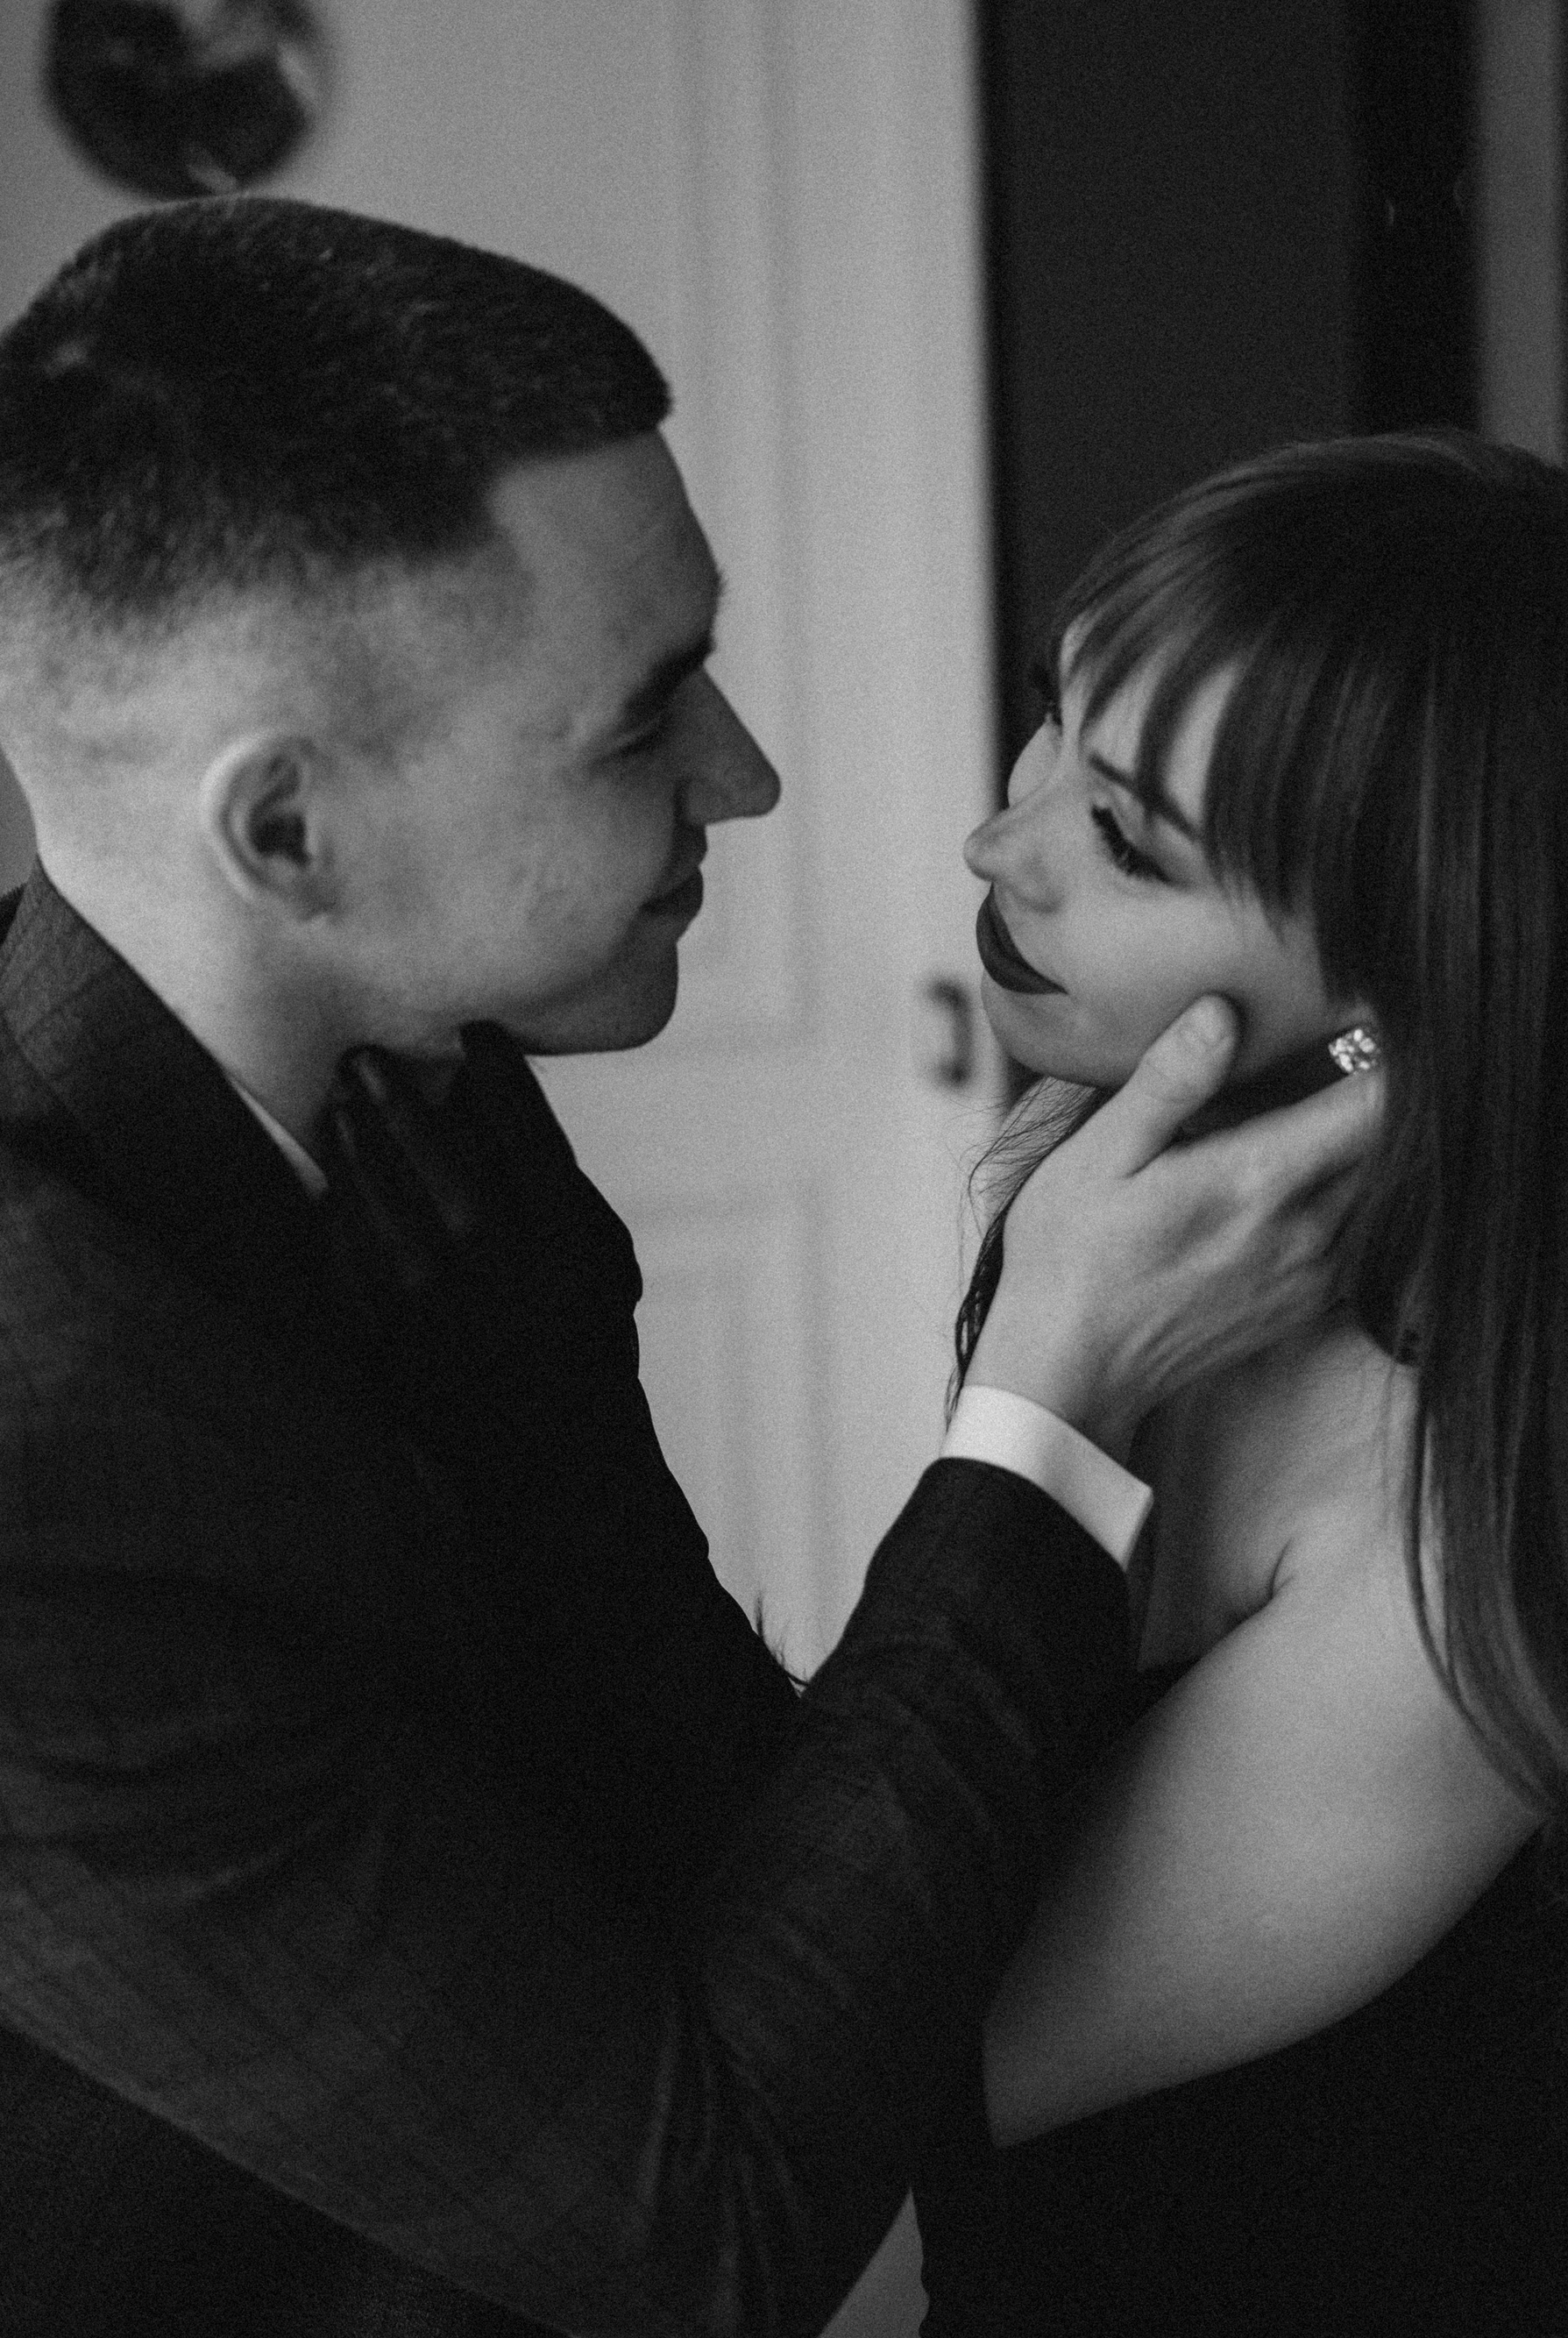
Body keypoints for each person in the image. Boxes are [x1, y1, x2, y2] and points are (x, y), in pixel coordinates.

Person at [0, 199, 1377, 2338]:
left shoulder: (430, 1104)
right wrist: (1047, 1408)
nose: (746, 774)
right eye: (644, 723)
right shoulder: (39, 1469)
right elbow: (708, 2236)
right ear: (287, 837)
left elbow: (713, 1813)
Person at [915, 431, 1568, 2334]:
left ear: (1400, 1009)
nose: (1002, 845)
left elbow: (895, 2071)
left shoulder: (1449, 1539)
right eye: (1052, 722)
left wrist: (1039, 1385)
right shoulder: (1120, 1208)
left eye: (1127, 839)